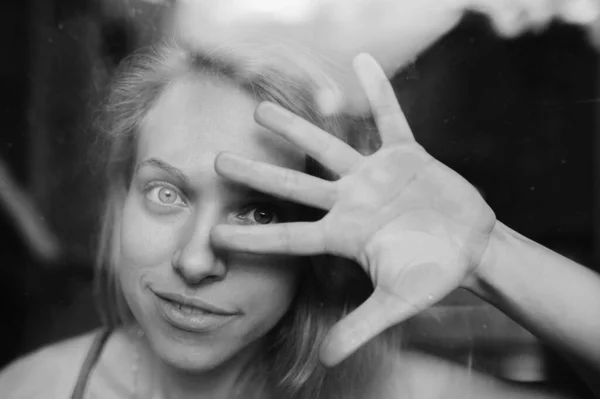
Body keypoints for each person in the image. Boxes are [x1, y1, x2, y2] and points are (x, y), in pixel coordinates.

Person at [0, 37, 598, 399]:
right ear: (118, 198)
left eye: (260, 212)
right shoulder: (30, 389)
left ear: (323, 242)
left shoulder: (403, 393)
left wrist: (492, 255)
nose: (195, 259)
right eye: (165, 194)